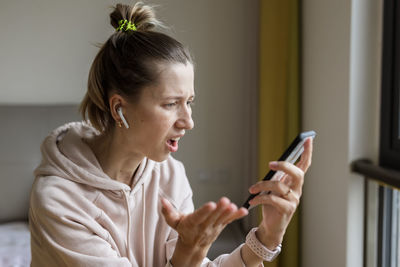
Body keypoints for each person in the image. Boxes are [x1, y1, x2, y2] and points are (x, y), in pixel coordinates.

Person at [29, 2, 313, 267]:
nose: (188, 122)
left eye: (189, 102)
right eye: (171, 104)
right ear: (119, 108)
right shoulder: (59, 201)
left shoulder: (168, 175)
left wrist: (267, 236)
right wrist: (187, 253)